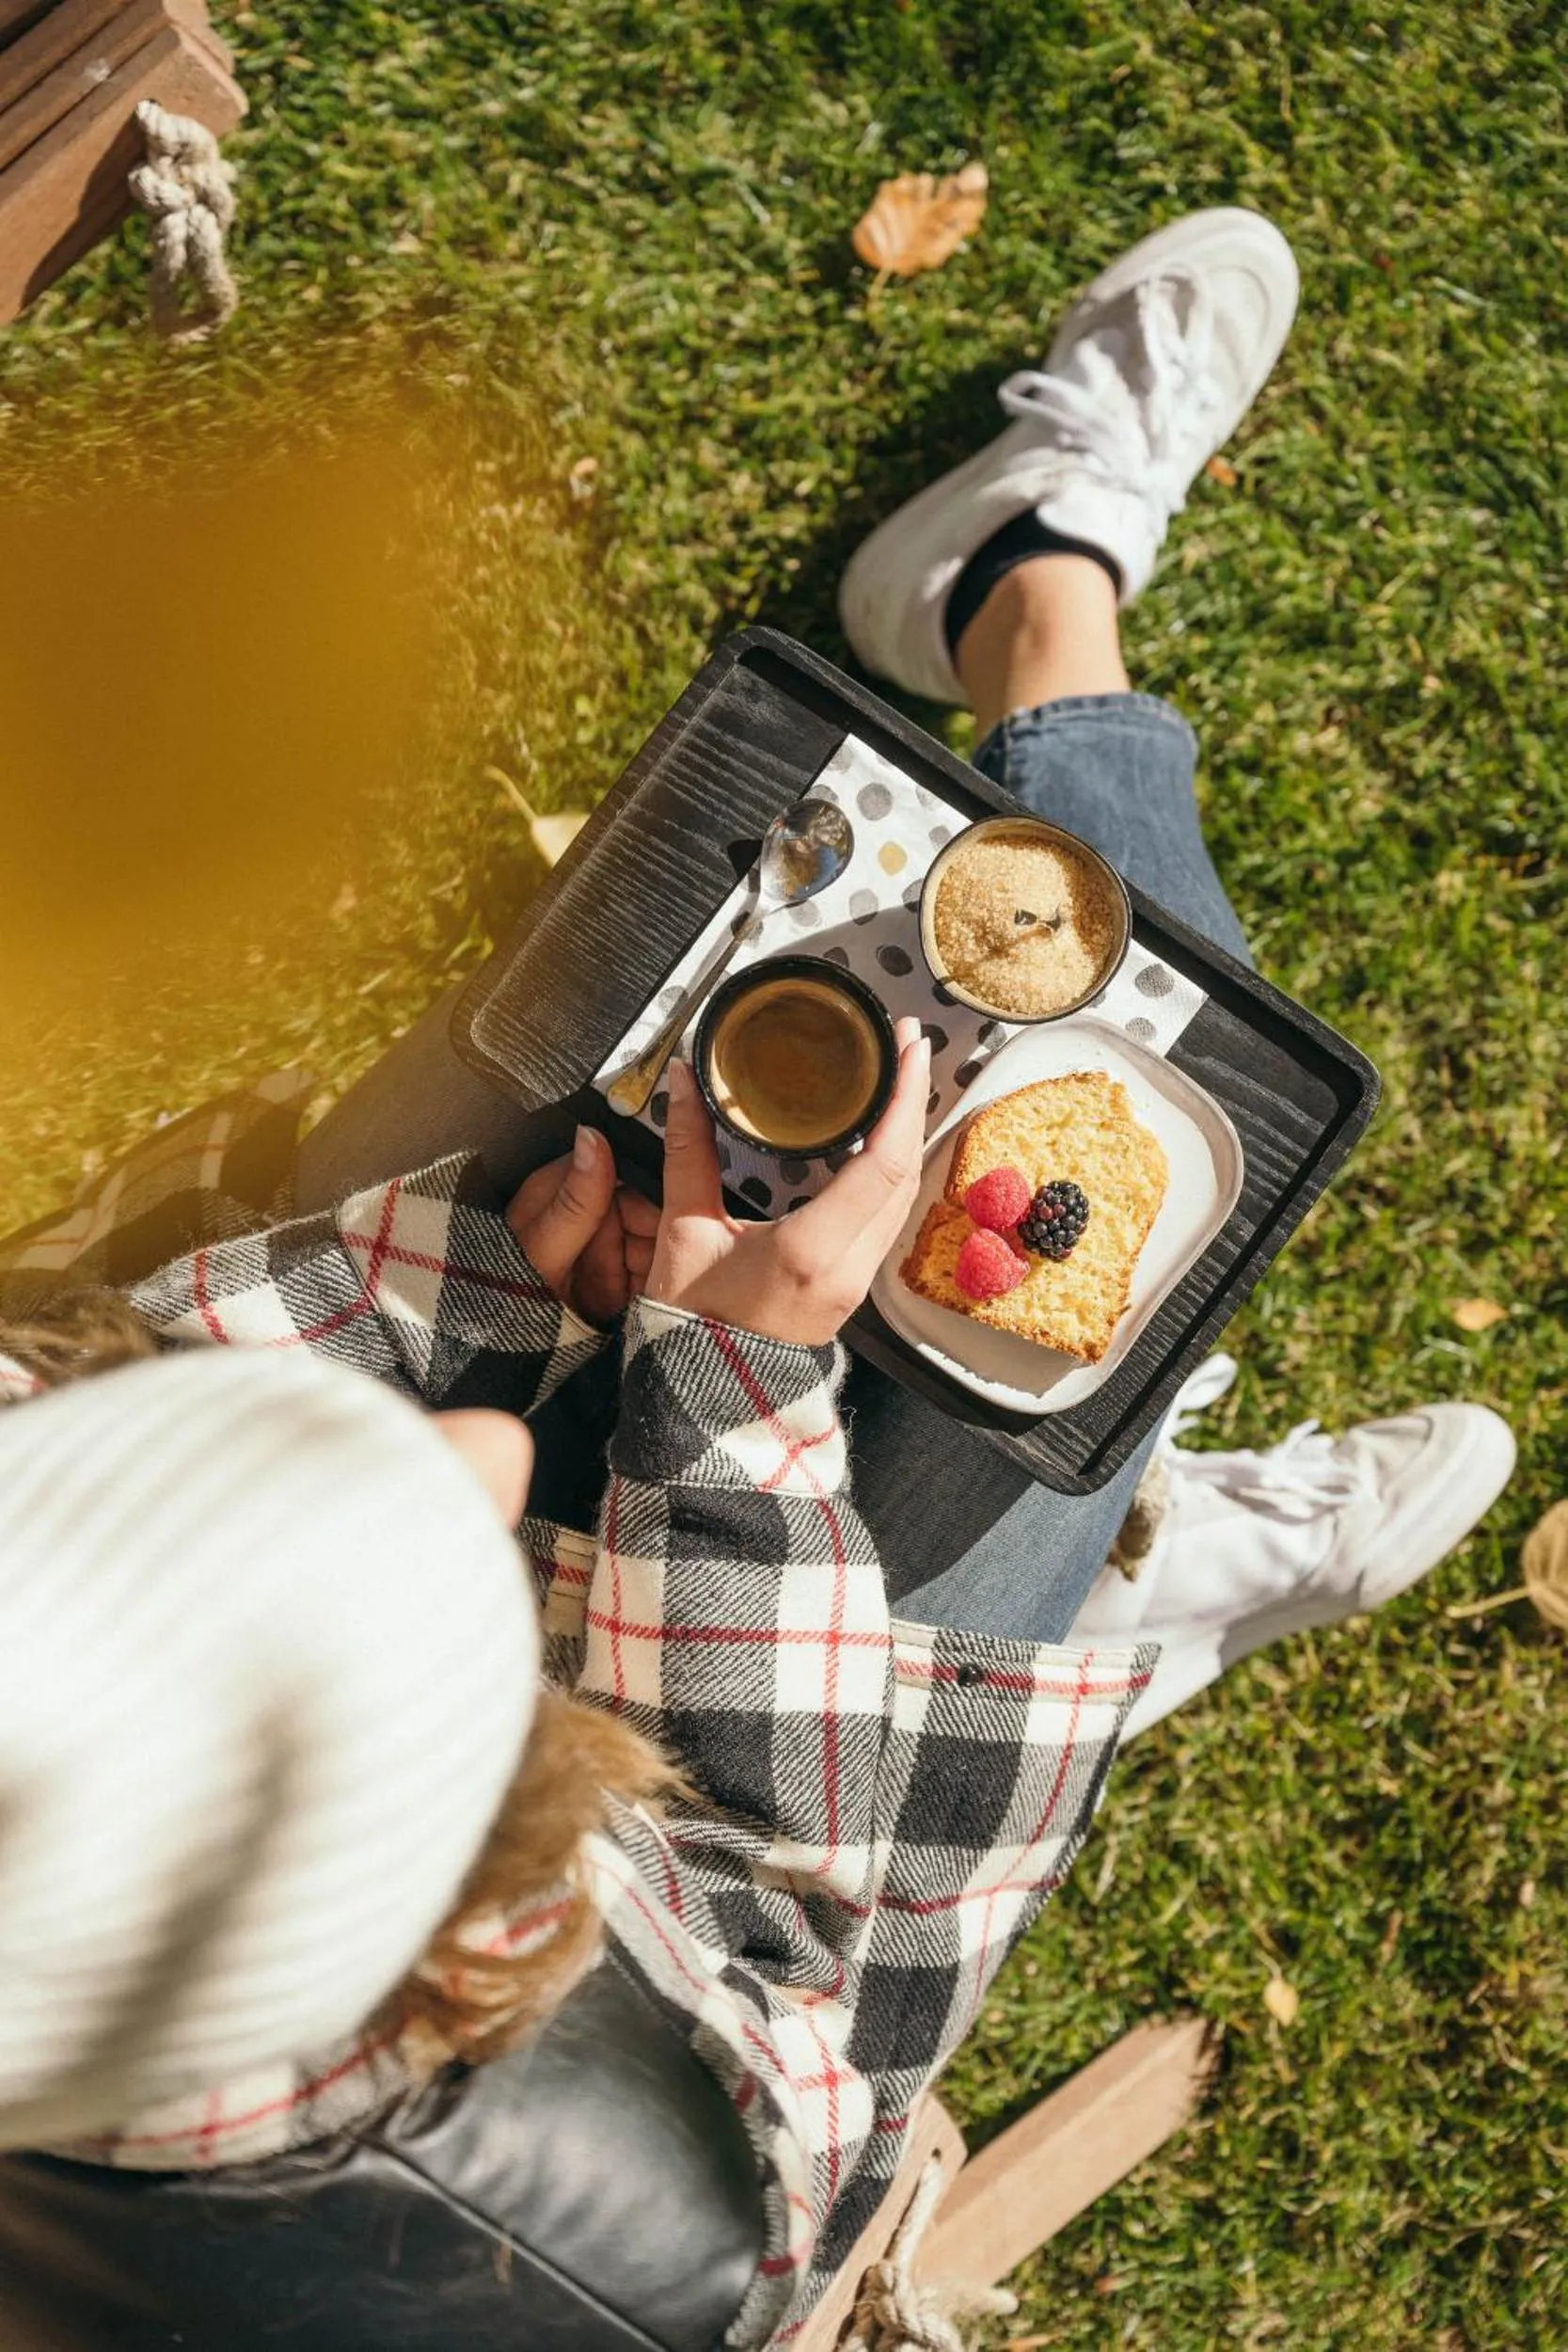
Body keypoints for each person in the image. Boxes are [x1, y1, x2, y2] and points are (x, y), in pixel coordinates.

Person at [0, 208, 1513, 2347]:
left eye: (174, 1487)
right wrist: (719, 1403)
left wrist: (486, 1317)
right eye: (423, 1625)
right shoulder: (590, 2244)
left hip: (418, 1355)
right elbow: (771, 1932)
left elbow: (106, 1351)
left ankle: (1031, 597)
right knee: (1185, 1108)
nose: (465, 1466)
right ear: (453, 1939)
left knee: (747, 1040)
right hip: (783, 1837)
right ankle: (1041, 596)